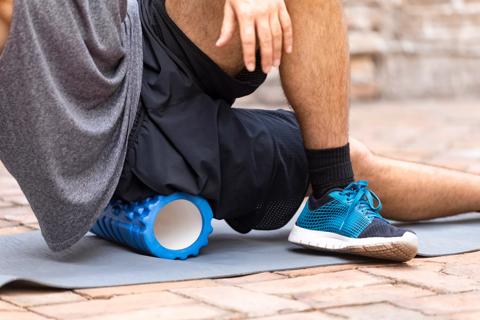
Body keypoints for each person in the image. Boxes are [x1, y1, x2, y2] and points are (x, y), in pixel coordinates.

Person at [0, 0, 479, 262]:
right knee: (358, 161)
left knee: (335, 159)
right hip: (118, 140)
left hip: (138, 38)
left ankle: (335, 197)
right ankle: (333, 191)